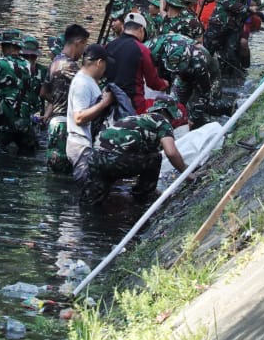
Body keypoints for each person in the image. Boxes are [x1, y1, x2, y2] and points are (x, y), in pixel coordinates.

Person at [80, 96, 186, 205]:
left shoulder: (137, 118)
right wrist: (186, 171)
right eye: (172, 116)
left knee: (91, 202)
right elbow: (171, 152)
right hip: (116, 160)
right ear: (164, 111)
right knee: (155, 158)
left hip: (95, 157)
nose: (172, 120)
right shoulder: (161, 120)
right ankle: (143, 196)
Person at [0, 31, 40, 152]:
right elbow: (20, 94)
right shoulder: (28, 66)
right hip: (23, 123)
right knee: (26, 159)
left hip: (2, 124)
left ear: (6, 46)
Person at [44, 24, 91, 172]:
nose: (84, 50)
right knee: (63, 172)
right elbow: (88, 85)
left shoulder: (55, 62)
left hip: (55, 122)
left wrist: (57, 100)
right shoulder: (69, 66)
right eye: (84, 45)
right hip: (65, 126)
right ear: (78, 42)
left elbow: (43, 92)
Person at [102, 12, 169, 113]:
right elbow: (153, 83)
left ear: (124, 28)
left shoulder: (109, 45)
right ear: (141, 30)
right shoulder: (142, 50)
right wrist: (165, 84)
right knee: (177, 108)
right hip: (134, 105)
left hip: (110, 100)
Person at [67, 43, 116, 177]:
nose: (105, 69)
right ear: (99, 62)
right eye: (105, 65)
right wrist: (104, 103)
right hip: (80, 146)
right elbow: (78, 118)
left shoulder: (89, 81)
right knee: (85, 190)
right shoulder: (82, 83)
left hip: (85, 144)